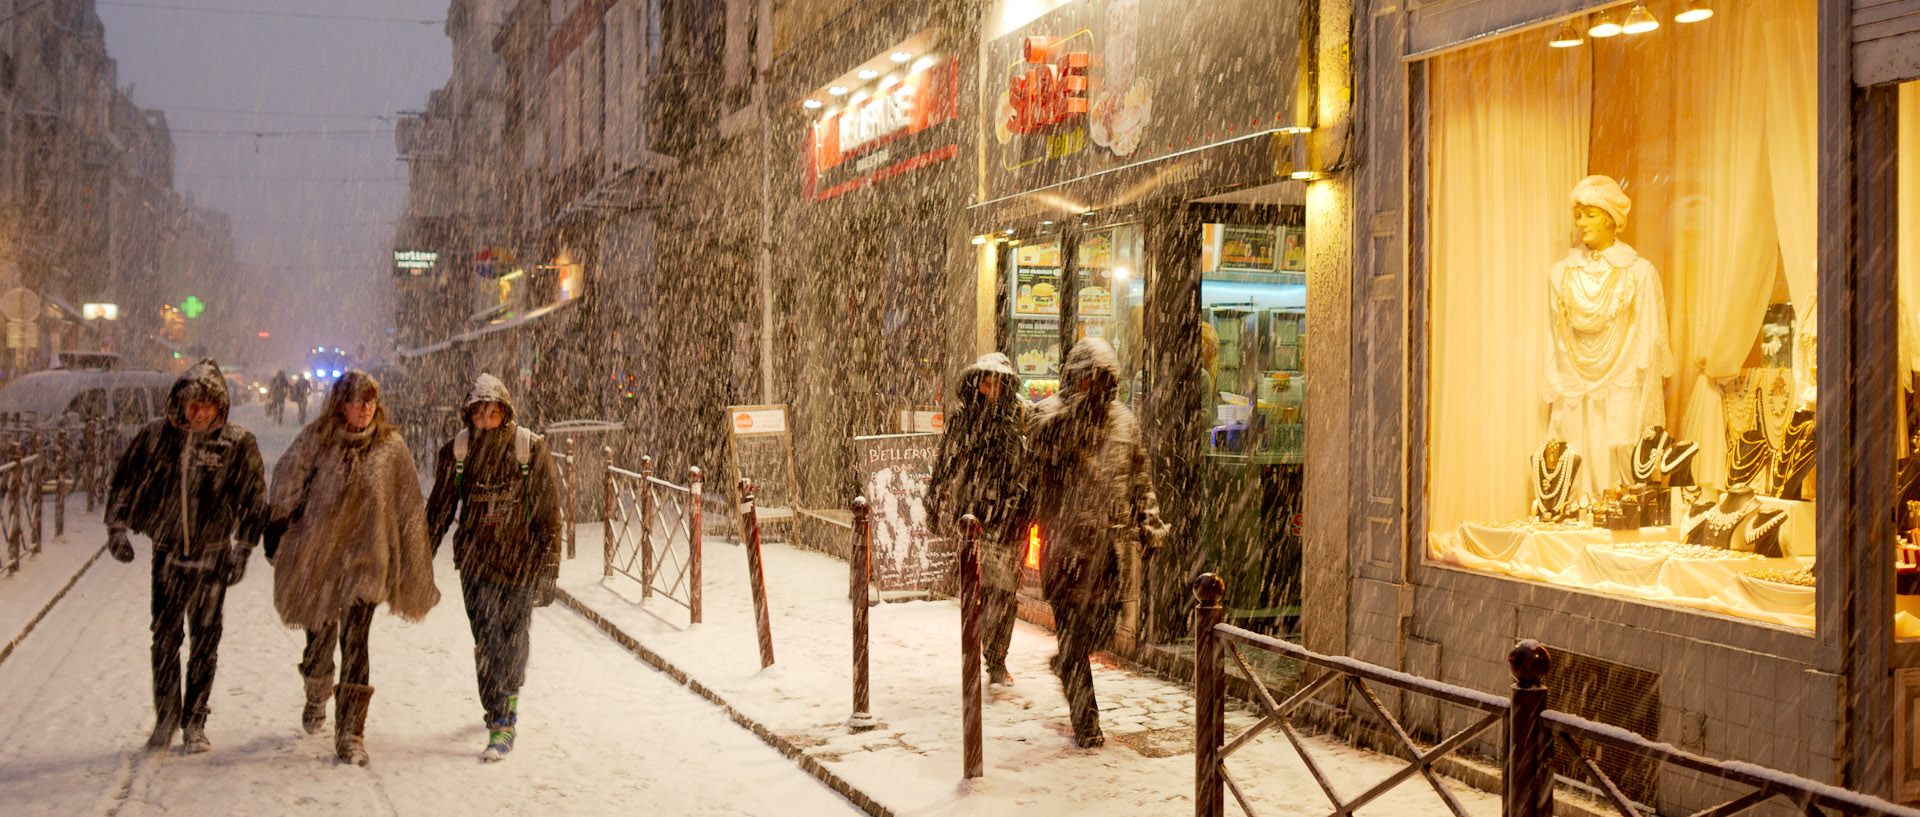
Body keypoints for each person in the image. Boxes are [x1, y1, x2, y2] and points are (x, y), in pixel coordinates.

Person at [265, 370, 438, 766]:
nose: (364, 408)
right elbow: (287, 479)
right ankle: (317, 686)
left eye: (370, 401)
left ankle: (350, 734)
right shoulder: (317, 441)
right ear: (339, 404)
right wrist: (277, 523)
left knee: (357, 644)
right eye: (357, 400)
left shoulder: (390, 448)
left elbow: (408, 509)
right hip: (320, 559)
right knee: (319, 641)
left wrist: (411, 559)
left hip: (367, 561)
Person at [105, 359, 268, 754]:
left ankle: (195, 720)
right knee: (164, 640)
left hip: (213, 559)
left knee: (205, 642)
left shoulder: (235, 443)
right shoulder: (157, 438)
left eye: (206, 404)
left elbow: (253, 499)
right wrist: (117, 528)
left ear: (219, 406)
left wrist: (243, 548)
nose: (197, 412)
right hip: (168, 557)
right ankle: (166, 718)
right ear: (179, 403)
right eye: (191, 403)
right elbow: (126, 480)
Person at [1022, 338, 1167, 749]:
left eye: (1102, 380)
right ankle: (1088, 726)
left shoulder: (1124, 420)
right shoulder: (1047, 414)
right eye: (1089, 379)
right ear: (1074, 378)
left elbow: (1140, 476)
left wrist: (1149, 518)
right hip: (1065, 547)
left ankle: (1066, 662)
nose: (1096, 388)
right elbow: (1041, 454)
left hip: (1109, 550)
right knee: (1072, 632)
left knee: (1099, 632)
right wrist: (1076, 414)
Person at [424, 373, 563, 762]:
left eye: (493, 413)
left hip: (520, 562)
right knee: (488, 641)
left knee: (515, 642)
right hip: (476, 564)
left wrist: (549, 569)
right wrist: (419, 561)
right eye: (479, 414)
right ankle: (499, 718)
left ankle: (511, 692)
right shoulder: (457, 452)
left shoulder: (530, 449)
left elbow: (550, 516)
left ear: (505, 412)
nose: (486, 421)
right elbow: (438, 511)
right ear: (469, 415)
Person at [1544, 174, 1674, 494]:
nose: (1581, 222)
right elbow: (1556, 338)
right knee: (1574, 459)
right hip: (1575, 384)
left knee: (1620, 459)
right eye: (1578, 215)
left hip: (1623, 382)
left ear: (1611, 218)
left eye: (1590, 214)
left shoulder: (1639, 273)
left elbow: (1650, 337)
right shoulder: (1560, 274)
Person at [925, 352, 1028, 688]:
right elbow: (946, 463)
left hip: (1010, 517)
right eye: (986, 381)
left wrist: (1026, 507)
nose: (992, 387)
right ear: (976, 384)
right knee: (977, 591)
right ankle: (978, 649)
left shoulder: (1019, 417)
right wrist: (934, 498)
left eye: (998, 381)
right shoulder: (963, 419)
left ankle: (997, 658)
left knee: (1006, 594)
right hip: (972, 517)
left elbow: (1029, 466)